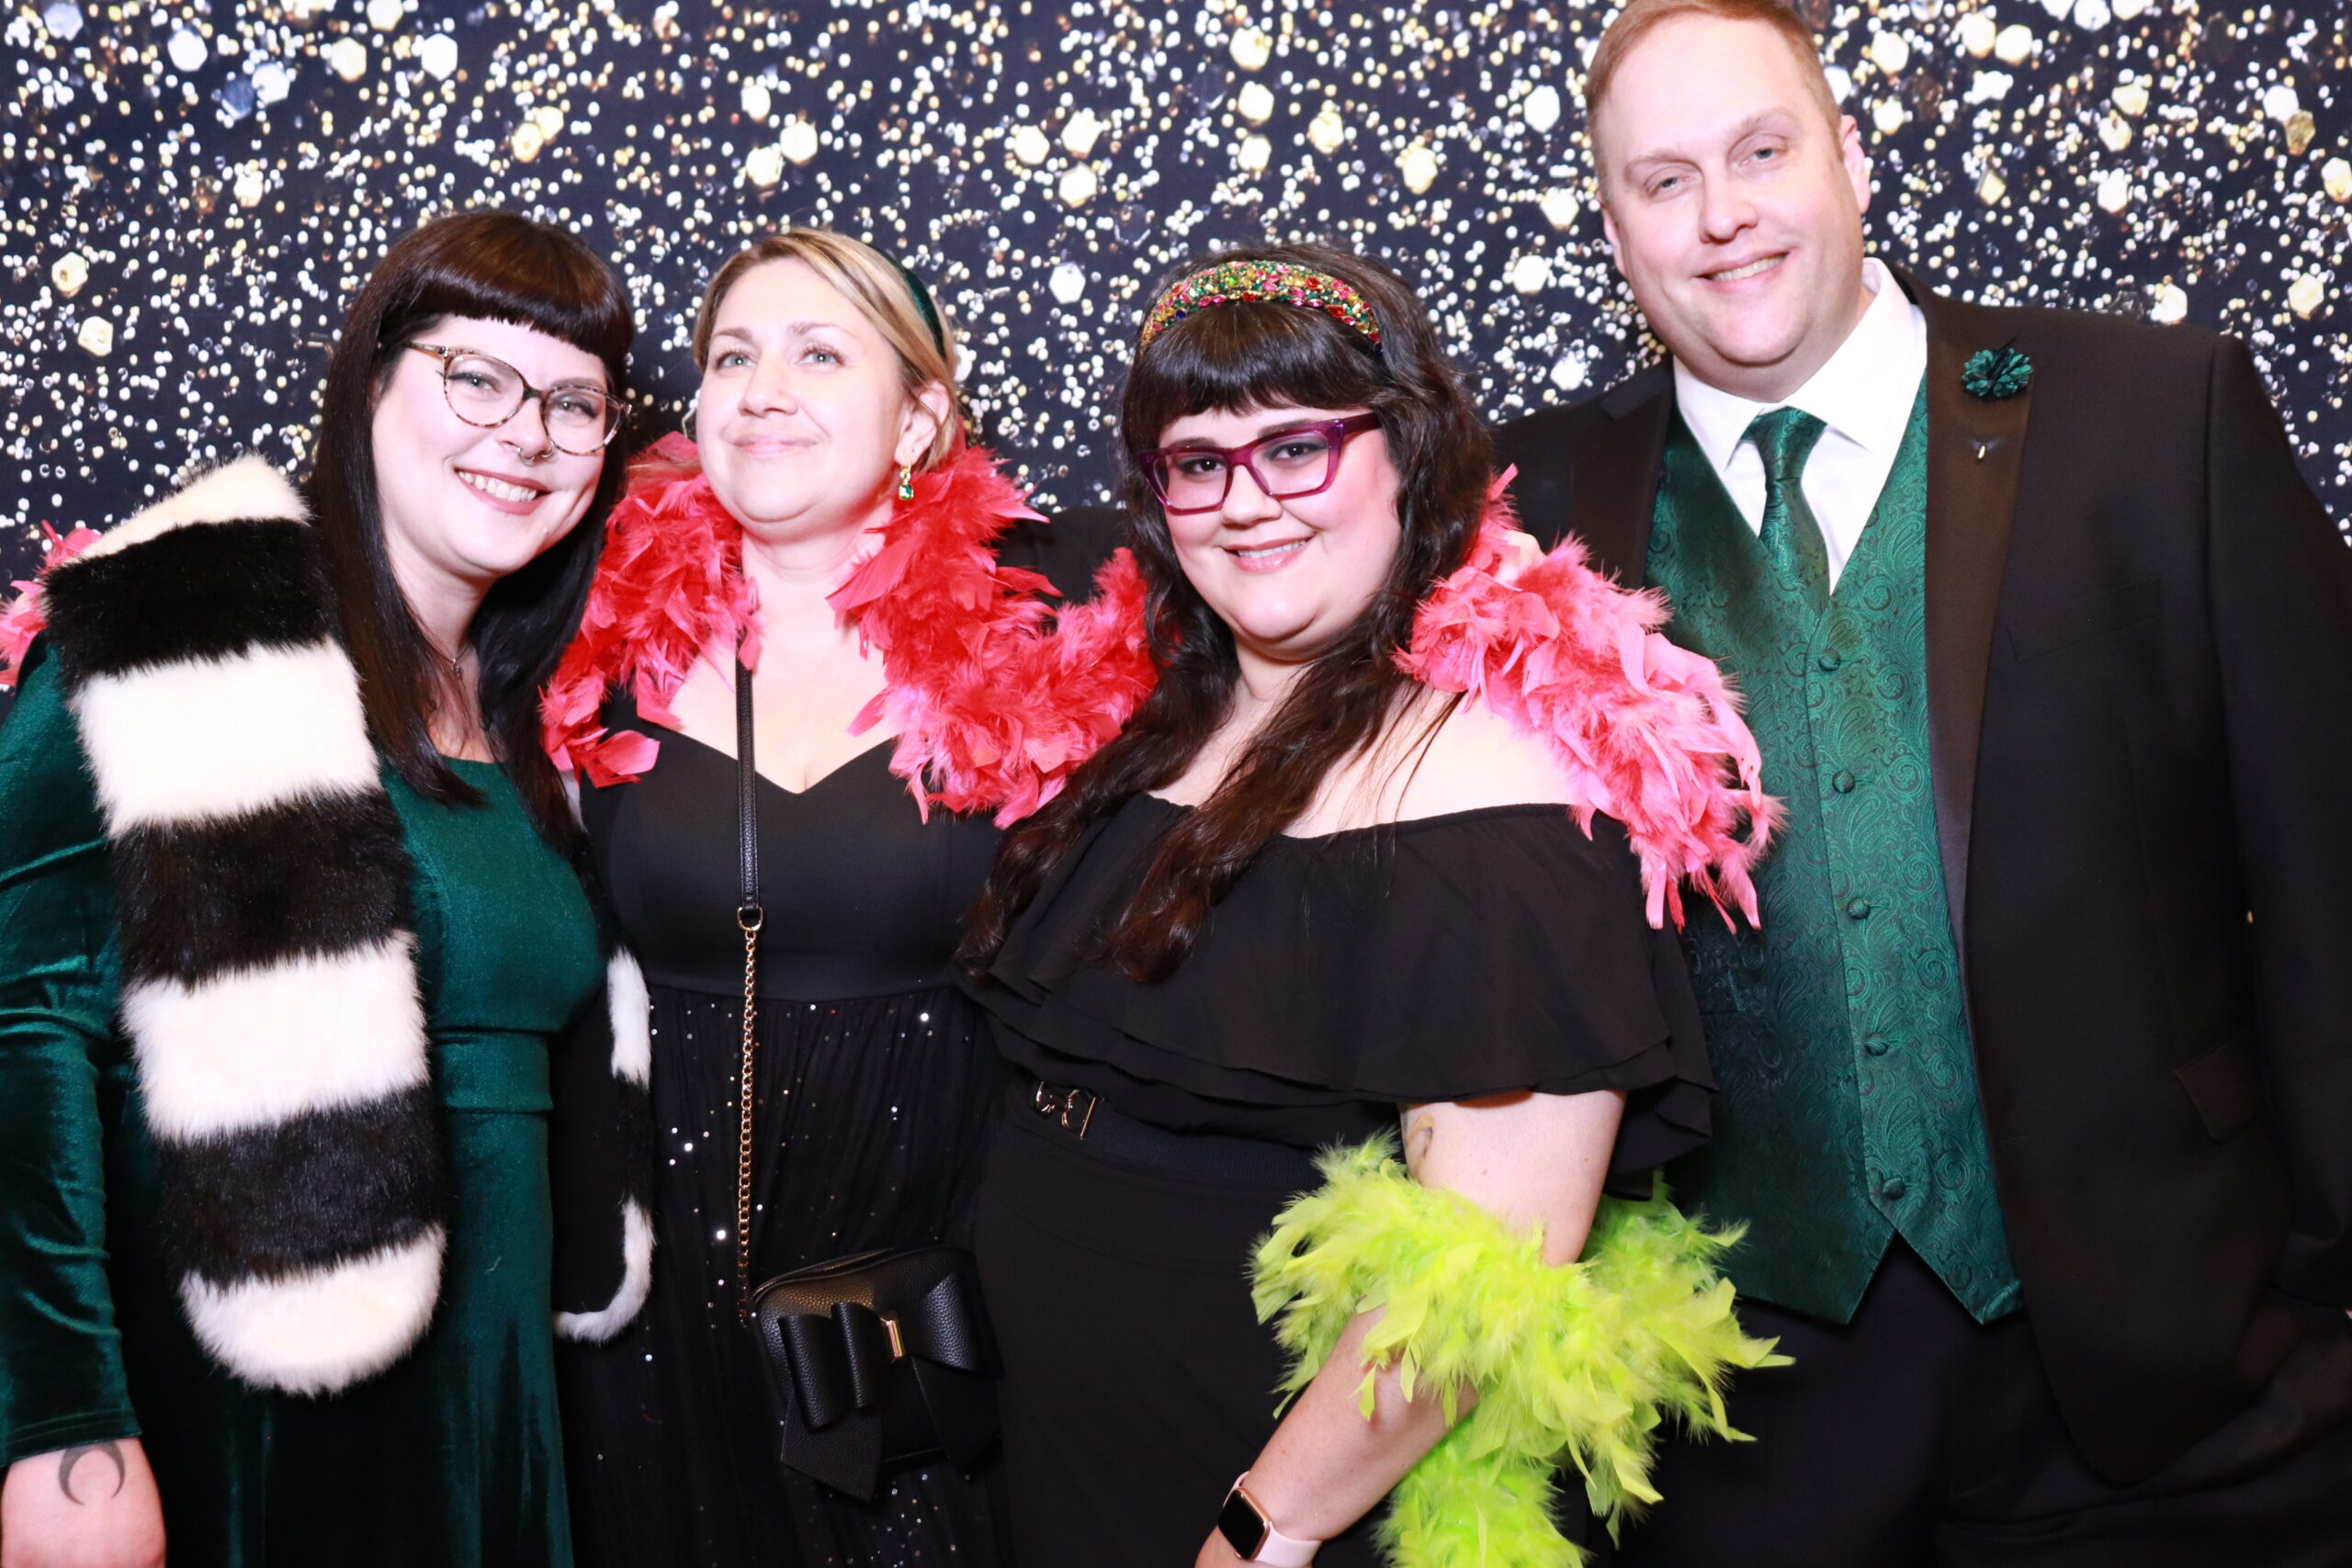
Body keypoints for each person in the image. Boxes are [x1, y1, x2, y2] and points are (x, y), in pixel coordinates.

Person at [1490, 2, 2352, 1561]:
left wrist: (2317, 1279)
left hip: (2169, 1382)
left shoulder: (2157, 417)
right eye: (1665, 180)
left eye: (1763, 151)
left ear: (1850, 157)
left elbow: (2327, 876)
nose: (1724, 214)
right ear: (1613, 228)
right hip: (1737, 1422)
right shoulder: (1528, 508)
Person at [955, 243, 1783, 1568]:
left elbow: (1488, 1262)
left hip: (1264, 1472)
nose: (1246, 504)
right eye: (1198, 463)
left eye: (1296, 448)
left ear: (1406, 454)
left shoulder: (1493, 787)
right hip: (1056, 1428)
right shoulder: (1161, 720)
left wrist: (1265, 1527)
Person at [0, 210, 651, 1568]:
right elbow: (20, 1030)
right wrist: (62, 1435)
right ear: (371, 382)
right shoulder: (180, 625)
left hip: (494, 1405)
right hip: (256, 1410)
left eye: (574, 403)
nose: (526, 434)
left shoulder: (531, 707)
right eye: (477, 376)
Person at [542, 228, 1136, 1568]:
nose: (762, 391)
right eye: (732, 357)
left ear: (919, 417)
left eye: (819, 355)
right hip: (653, 1287)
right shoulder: (583, 626)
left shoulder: (1049, 629)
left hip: (924, 1290)